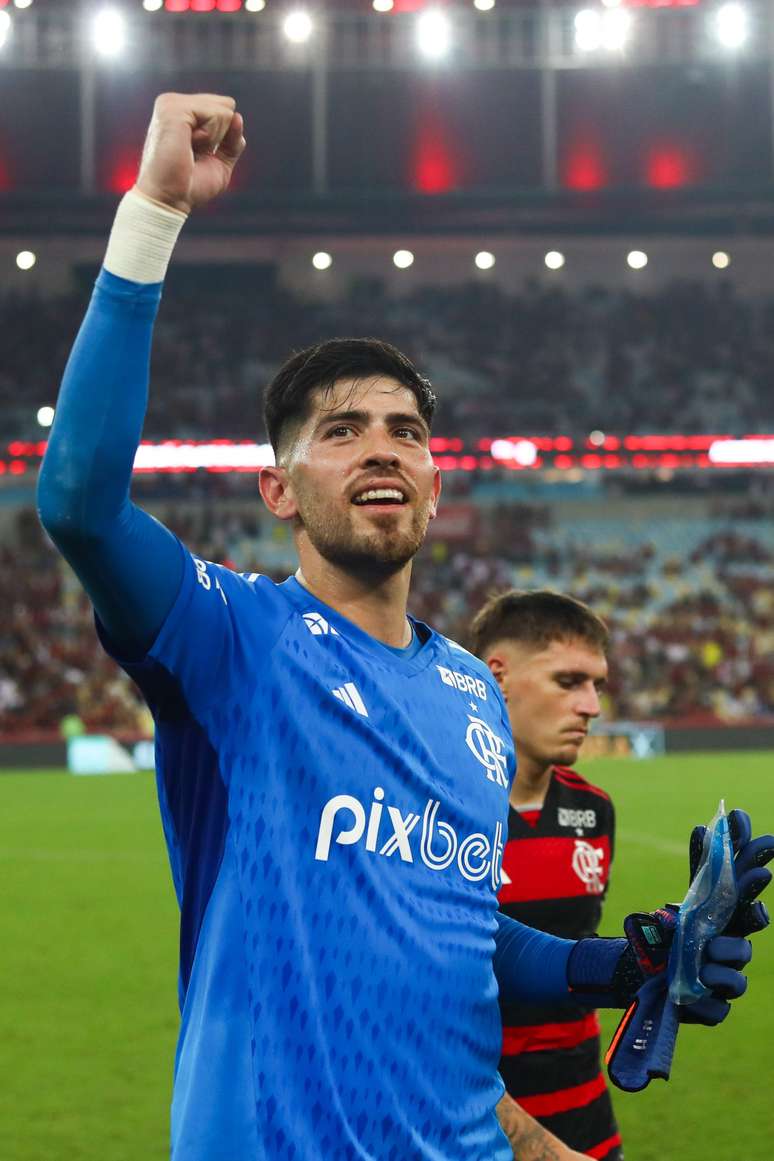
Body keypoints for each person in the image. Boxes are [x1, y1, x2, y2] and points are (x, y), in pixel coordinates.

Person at [36, 93, 769, 1161]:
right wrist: (154, 209)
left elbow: (465, 935)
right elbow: (78, 502)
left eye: (406, 432)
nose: (382, 448)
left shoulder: (474, 689)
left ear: (432, 482)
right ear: (279, 491)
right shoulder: (233, 638)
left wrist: (627, 964)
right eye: (341, 431)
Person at [470, 590, 620, 1159]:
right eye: (568, 682)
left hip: (590, 1117)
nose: (592, 706)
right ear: (497, 675)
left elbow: (579, 954)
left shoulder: (595, 811)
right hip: (480, 1128)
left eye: (597, 686)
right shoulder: (431, 814)